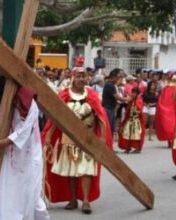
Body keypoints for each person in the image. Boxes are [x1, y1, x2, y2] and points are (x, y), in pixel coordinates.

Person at [0, 66, 49, 220]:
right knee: (7, 201)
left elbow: (26, 128)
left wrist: (4, 142)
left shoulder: (25, 103)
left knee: (31, 200)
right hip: (2, 162)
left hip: (26, 160)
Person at [42, 67, 112, 215]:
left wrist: (102, 138)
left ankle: (86, 200)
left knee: (86, 169)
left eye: (84, 76)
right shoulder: (64, 95)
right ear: (73, 77)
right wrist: (48, 136)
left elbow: (100, 118)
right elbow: (56, 118)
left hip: (88, 139)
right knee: (72, 171)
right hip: (69, 138)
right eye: (79, 76)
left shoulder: (92, 95)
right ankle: (73, 199)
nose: (82, 79)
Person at [102, 68, 130, 137]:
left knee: (111, 128)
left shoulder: (111, 85)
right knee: (109, 128)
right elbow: (118, 97)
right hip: (108, 109)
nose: (118, 79)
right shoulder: (110, 85)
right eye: (118, 77)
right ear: (114, 76)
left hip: (111, 109)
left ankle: (109, 145)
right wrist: (128, 99)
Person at [155, 75, 176, 147]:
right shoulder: (168, 89)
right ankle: (171, 140)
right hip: (172, 109)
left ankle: (172, 140)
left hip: (173, 108)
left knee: (172, 125)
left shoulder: (167, 88)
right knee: (172, 125)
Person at [118, 88, 145, 153]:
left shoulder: (138, 101)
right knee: (126, 133)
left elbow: (139, 110)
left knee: (136, 135)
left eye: (135, 93)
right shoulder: (131, 100)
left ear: (137, 94)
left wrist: (135, 111)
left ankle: (137, 148)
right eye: (132, 92)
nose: (133, 94)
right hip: (129, 120)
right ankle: (128, 147)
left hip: (136, 120)